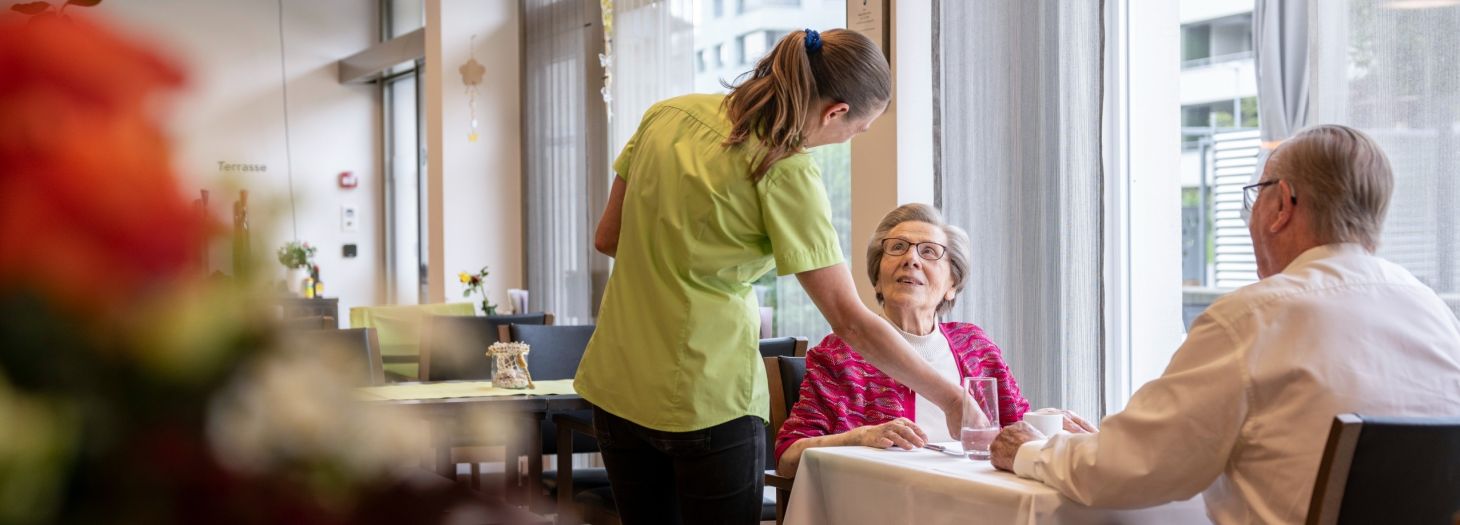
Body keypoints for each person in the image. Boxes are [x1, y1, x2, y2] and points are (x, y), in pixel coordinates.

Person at [575, 29, 966, 524]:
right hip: (705, 396)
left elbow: (608, 238)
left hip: (618, 382)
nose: (850, 139)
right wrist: (953, 398)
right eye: (859, 129)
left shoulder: (667, 114)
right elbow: (849, 319)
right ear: (835, 112)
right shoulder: (785, 168)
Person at [990, 124, 1460, 524]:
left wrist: (1033, 450)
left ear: (1282, 205)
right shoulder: (1435, 315)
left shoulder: (1256, 317)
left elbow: (1128, 470)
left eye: (1256, 196)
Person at [774, 203, 1044, 477]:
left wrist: (1048, 426)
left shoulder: (975, 346)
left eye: (929, 251)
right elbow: (788, 457)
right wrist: (859, 437)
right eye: (898, 247)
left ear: (952, 285)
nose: (911, 259)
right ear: (877, 279)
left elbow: (1017, 434)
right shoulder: (839, 354)